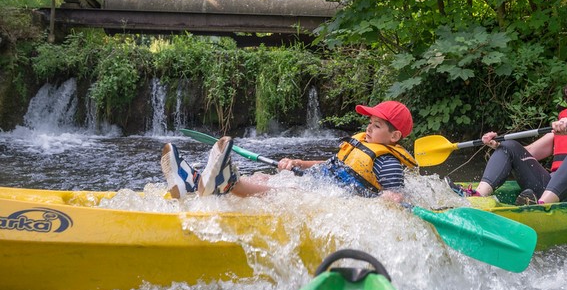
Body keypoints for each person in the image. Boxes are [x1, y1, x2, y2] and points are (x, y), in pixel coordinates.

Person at [161, 101, 417, 204]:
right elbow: (333, 162)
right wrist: (299, 162)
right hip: (321, 182)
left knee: (285, 191)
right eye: (370, 123)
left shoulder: (387, 161)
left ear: (394, 137)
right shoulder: (362, 143)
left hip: (334, 197)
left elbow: (395, 194)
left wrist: (390, 201)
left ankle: (229, 183)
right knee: (263, 177)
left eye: (377, 125)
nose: (369, 128)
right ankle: (194, 184)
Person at [462, 67, 567, 205]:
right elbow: (527, 152)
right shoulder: (562, 126)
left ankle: (541, 206)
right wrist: (498, 146)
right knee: (509, 146)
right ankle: (478, 196)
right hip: (555, 189)